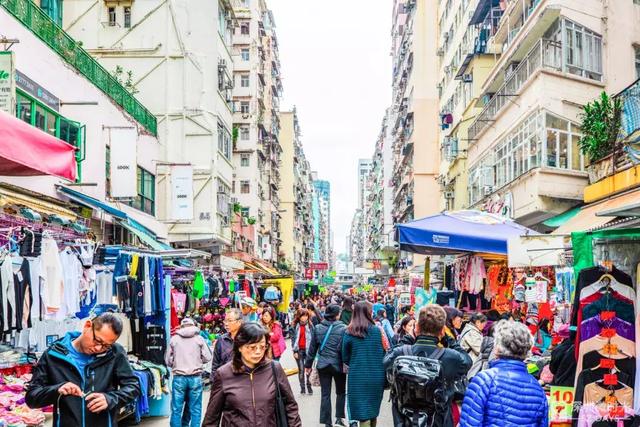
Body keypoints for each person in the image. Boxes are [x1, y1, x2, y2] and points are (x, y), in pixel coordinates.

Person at [25, 313, 140, 427]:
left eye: (106, 345)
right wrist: (57, 389)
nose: (98, 348)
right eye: (97, 340)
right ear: (87, 326)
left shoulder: (115, 353)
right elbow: (32, 398)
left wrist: (110, 399)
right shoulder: (53, 355)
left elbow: (133, 386)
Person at [384, 305, 472, 427]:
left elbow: (386, 361)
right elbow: (467, 361)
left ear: (417, 328)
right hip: (438, 421)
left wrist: (408, 338)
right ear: (442, 330)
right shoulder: (451, 357)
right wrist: (450, 340)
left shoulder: (401, 353)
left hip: (406, 421)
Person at [202, 323, 302, 426]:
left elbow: (290, 406)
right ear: (240, 347)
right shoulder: (223, 374)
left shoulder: (274, 369)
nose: (258, 352)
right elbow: (211, 418)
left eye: (262, 347)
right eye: (253, 347)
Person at [459, 320, 548, 427]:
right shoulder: (537, 388)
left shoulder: (484, 380)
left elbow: (469, 423)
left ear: (497, 348)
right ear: (527, 351)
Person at [342, 301, 386, 427]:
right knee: (373, 410)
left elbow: (345, 357)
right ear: (368, 313)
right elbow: (382, 353)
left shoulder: (349, 332)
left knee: (362, 413)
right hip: (377, 376)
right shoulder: (377, 331)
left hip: (357, 377)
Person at [304, 304, 347, 427]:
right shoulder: (343, 328)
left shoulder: (318, 328)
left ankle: (327, 422)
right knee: (341, 392)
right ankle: (339, 418)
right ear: (337, 315)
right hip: (338, 365)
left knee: (325, 394)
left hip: (323, 365)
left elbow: (312, 349)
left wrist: (308, 365)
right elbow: (345, 349)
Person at [166, 317, 212, 427]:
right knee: (195, 409)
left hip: (179, 378)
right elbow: (208, 357)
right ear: (193, 325)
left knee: (176, 409)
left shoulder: (174, 339)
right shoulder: (199, 339)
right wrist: (198, 360)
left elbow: (168, 360)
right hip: (195, 378)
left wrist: (176, 363)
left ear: (181, 326)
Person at [210, 308, 244, 377]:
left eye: (230, 321)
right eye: (225, 321)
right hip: (224, 380)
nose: (226, 324)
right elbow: (215, 365)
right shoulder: (221, 340)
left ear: (239, 322)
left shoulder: (246, 339)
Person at [292, 308, 314, 395]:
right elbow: (293, 339)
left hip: (308, 350)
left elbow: (313, 339)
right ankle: (302, 388)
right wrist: (294, 351)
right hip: (299, 350)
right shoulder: (295, 326)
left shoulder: (311, 325)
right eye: (302, 316)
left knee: (308, 369)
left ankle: (309, 386)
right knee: (301, 370)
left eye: (306, 315)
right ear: (299, 316)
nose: (304, 318)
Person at [459, 312, 487, 378]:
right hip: (470, 364)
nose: (484, 326)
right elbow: (479, 349)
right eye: (483, 324)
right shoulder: (472, 333)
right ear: (477, 322)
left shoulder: (472, 330)